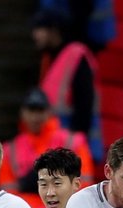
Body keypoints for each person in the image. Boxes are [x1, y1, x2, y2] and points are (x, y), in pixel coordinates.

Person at [30, 8, 102, 162]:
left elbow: (84, 106)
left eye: (39, 29)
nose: (34, 35)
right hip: (55, 149)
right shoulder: (49, 59)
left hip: (73, 149)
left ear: (54, 30)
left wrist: (73, 149)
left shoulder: (75, 56)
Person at [0, 88, 94, 194]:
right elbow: (7, 192)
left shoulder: (74, 142)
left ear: (49, 112)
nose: (35, 117)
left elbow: (85, 185)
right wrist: (25, 186)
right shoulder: (9, 150)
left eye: (40, 110)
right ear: (22, 113)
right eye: (31, 110)